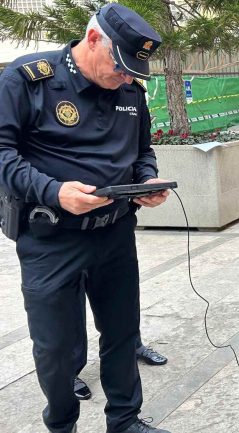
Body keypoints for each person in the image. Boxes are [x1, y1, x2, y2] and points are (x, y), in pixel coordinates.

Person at [0, 4, 173, 433]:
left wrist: (147, 181)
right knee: (56, 350)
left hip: (114, 233)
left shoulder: (130, 91)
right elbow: (2, 154)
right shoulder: (27, 80)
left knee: (121, 335)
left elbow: (142, 152)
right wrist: (53, 191)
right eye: (122, 66)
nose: (128, 77)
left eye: (136, 70)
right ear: (93, 39)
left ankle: (125, 420)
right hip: (51, 238)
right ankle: (62, 425)